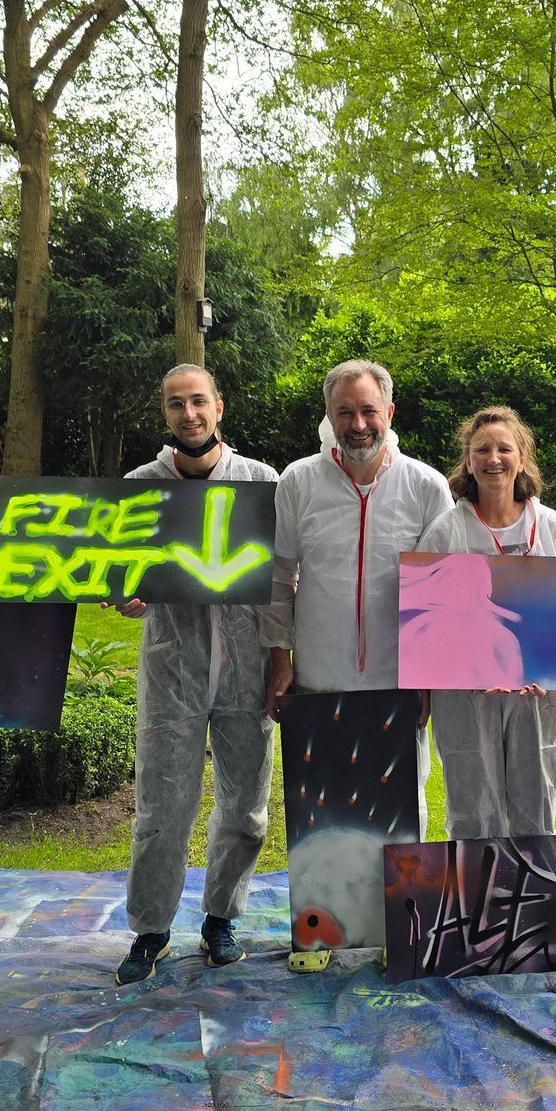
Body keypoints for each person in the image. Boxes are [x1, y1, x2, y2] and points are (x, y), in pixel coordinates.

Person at [114, 365, 284, 984]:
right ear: (165, 414)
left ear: (219, 407)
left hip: (247, 670)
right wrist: (128, 596)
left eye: (198, 402)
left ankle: (221, 917)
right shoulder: (140, 488)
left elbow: (282, 581)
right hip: (172, 670)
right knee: (162, 807)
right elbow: (121, 578)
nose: (189, 414)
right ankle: (151, 930)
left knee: (246, 809)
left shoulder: (261, 483)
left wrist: (282, 660)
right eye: (175, 404)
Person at [416, 406, 556, 838]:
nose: (494, 458)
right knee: (472, 813)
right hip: (464, 697)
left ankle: (532, 902)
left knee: (536, 812)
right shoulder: (445, 532)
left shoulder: (552, 529)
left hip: (537, 696)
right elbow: (424, 622)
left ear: (521, 458)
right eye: (482, 449)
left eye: (504, 448)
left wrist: (551, 669)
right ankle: (478, 902)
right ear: (468, 462)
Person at [263, 359, 452, 714]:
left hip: (397, 680)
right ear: (329, 416)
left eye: (369, 410)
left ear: (390, 412)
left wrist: (427, 677)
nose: (359, 424)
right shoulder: (298, 481)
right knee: (318, 771)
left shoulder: (427, 487)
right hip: (317, 676)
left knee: (397, 773)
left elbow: (440, 594)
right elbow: (278, 576)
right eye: (345, 412)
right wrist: (280, 659)